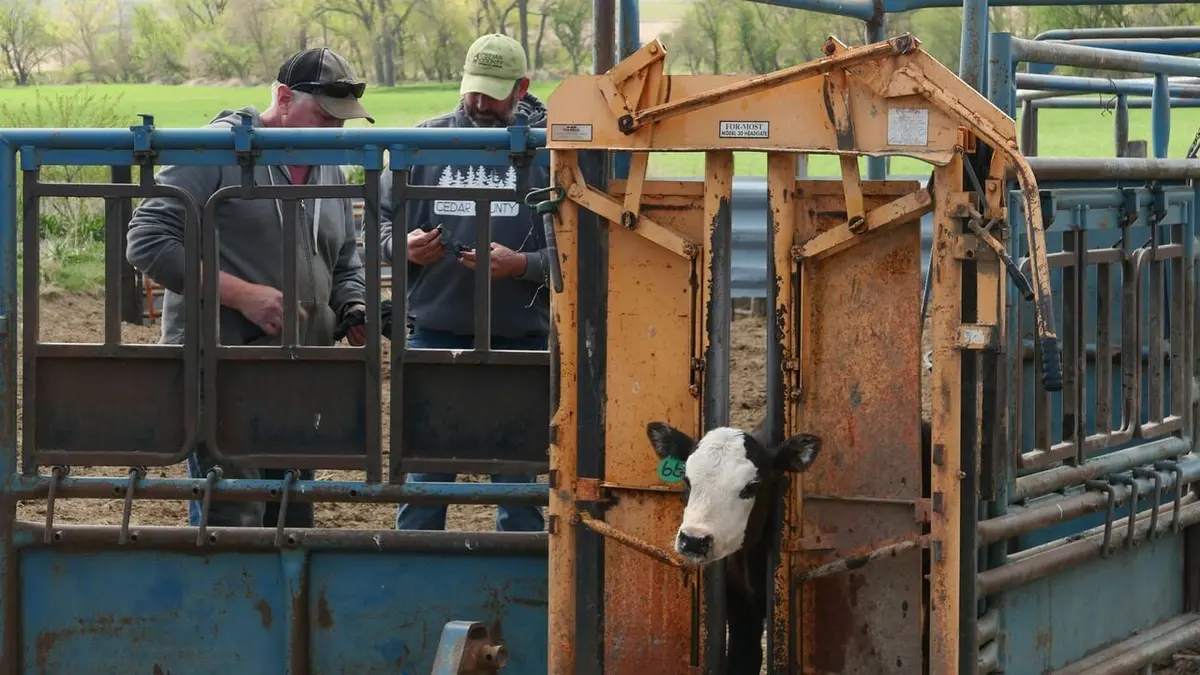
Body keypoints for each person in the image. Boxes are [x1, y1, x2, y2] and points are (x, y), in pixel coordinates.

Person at [126, 46, 372, 529]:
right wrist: (241, 294)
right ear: (283, 98)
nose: (335, 131)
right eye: (325, 117)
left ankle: (285, 607)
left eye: (343, 121)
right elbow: (146, 239)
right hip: (223, 370)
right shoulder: (214, 151)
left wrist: (353, 303)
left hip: (300, 370)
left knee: (294, 510)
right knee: (232, 515)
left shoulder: (331, 168)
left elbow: (344, 258)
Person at [379, 33, 549, 533]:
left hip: (520, 336)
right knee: (426, 473)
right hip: (436, 331)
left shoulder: (549, 153)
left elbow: (579, 247)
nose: (478, 102)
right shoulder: (424, 142)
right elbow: (379, 224)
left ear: (522, 87)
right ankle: (414, 570)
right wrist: (403, 248)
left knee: (519, 477)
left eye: (492, 92)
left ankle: (521, 576)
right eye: (473, 89)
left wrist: (523, 264)